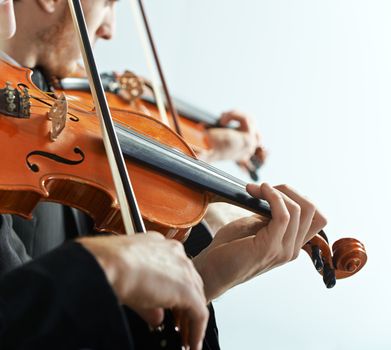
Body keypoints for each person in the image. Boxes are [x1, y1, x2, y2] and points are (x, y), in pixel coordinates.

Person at [0, 0, 328, 349]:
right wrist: (103, 266)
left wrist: (205, 276)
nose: (110, 30)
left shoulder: (49, 125)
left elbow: (68, 329)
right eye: (109, 3)